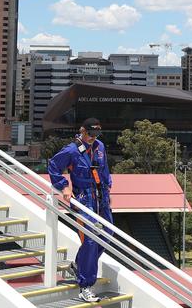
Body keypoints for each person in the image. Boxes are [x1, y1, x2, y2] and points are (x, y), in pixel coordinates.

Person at [48, 117, 113, 303]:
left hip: (102, 198)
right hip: (84, 200)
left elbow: (105, 171)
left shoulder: (100, 147)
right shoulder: (72, 150)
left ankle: (78, 264)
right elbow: (53, 166)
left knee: (107, 235)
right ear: (82, 131)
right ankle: (85, 285)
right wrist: (64, 187)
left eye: (96, 134)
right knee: (91, 239)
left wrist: (108, 190)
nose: (93, 138)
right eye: (90, 134)